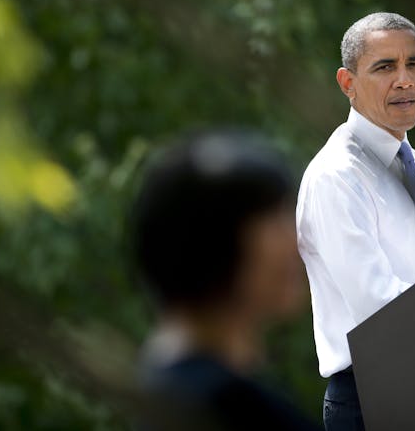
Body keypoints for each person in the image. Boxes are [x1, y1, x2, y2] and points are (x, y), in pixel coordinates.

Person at [296, 12, 415, 431]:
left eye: (414, 64)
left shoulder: (412, 162)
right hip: (374, 399)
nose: (405, 80)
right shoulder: (337, 175)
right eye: (385, 67)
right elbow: (382, 311)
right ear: (347, 84)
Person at [130, 131, 321, 431]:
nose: (295, 240)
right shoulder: (226, 405)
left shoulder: (168, 386)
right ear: (213, 245)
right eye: (273, 221)